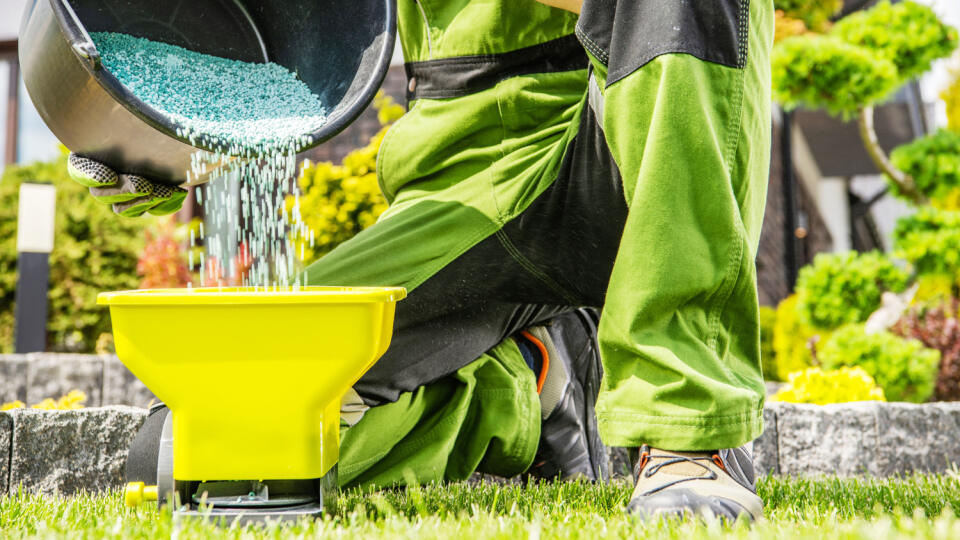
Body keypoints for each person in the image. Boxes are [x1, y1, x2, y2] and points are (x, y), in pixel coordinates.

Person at [70, 0, 773, 521]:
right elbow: (301, 38)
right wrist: (158, 130)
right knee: (197, 454)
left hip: (627, 143)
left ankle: (689, 439)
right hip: (466, 182)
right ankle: (527, 385)